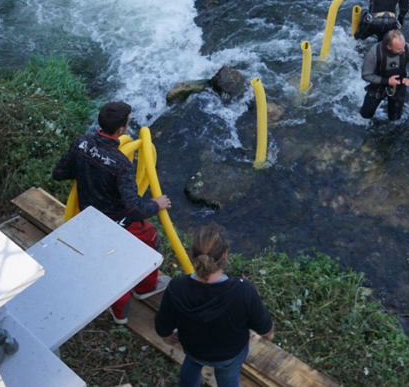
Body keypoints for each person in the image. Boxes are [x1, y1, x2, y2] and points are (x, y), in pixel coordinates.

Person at [52, 101, 171, 324]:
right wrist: (157, 204)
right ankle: (145, 288)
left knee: (110, 262)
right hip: (118, 221)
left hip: (89, 218)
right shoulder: (122, 164)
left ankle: (119, 314)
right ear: (121, 130)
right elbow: (135, 210)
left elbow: (58, 173)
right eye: (127, 123)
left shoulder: (81, 143)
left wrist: (89, 172)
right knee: (152, 244)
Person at [155, 224, 273, 387]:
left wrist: (168, 337)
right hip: (229, 355)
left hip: (194, 349)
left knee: (192, 364)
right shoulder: (244, 290)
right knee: (229, 380)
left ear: (192, 254)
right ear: (225, 255)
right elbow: (265, 328)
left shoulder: (176, 287)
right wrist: (268, 335)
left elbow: (163, 327)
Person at [360, 29, 409, 121]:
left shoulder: (408, 48)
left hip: (398, 87)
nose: (403, 50)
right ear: (389, 47)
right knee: (365, 115)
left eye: (403, 46)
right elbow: (366, 75)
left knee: (395, 118)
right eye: (399, 49)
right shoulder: (375, 52)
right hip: (378, 85)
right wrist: (387, 81)